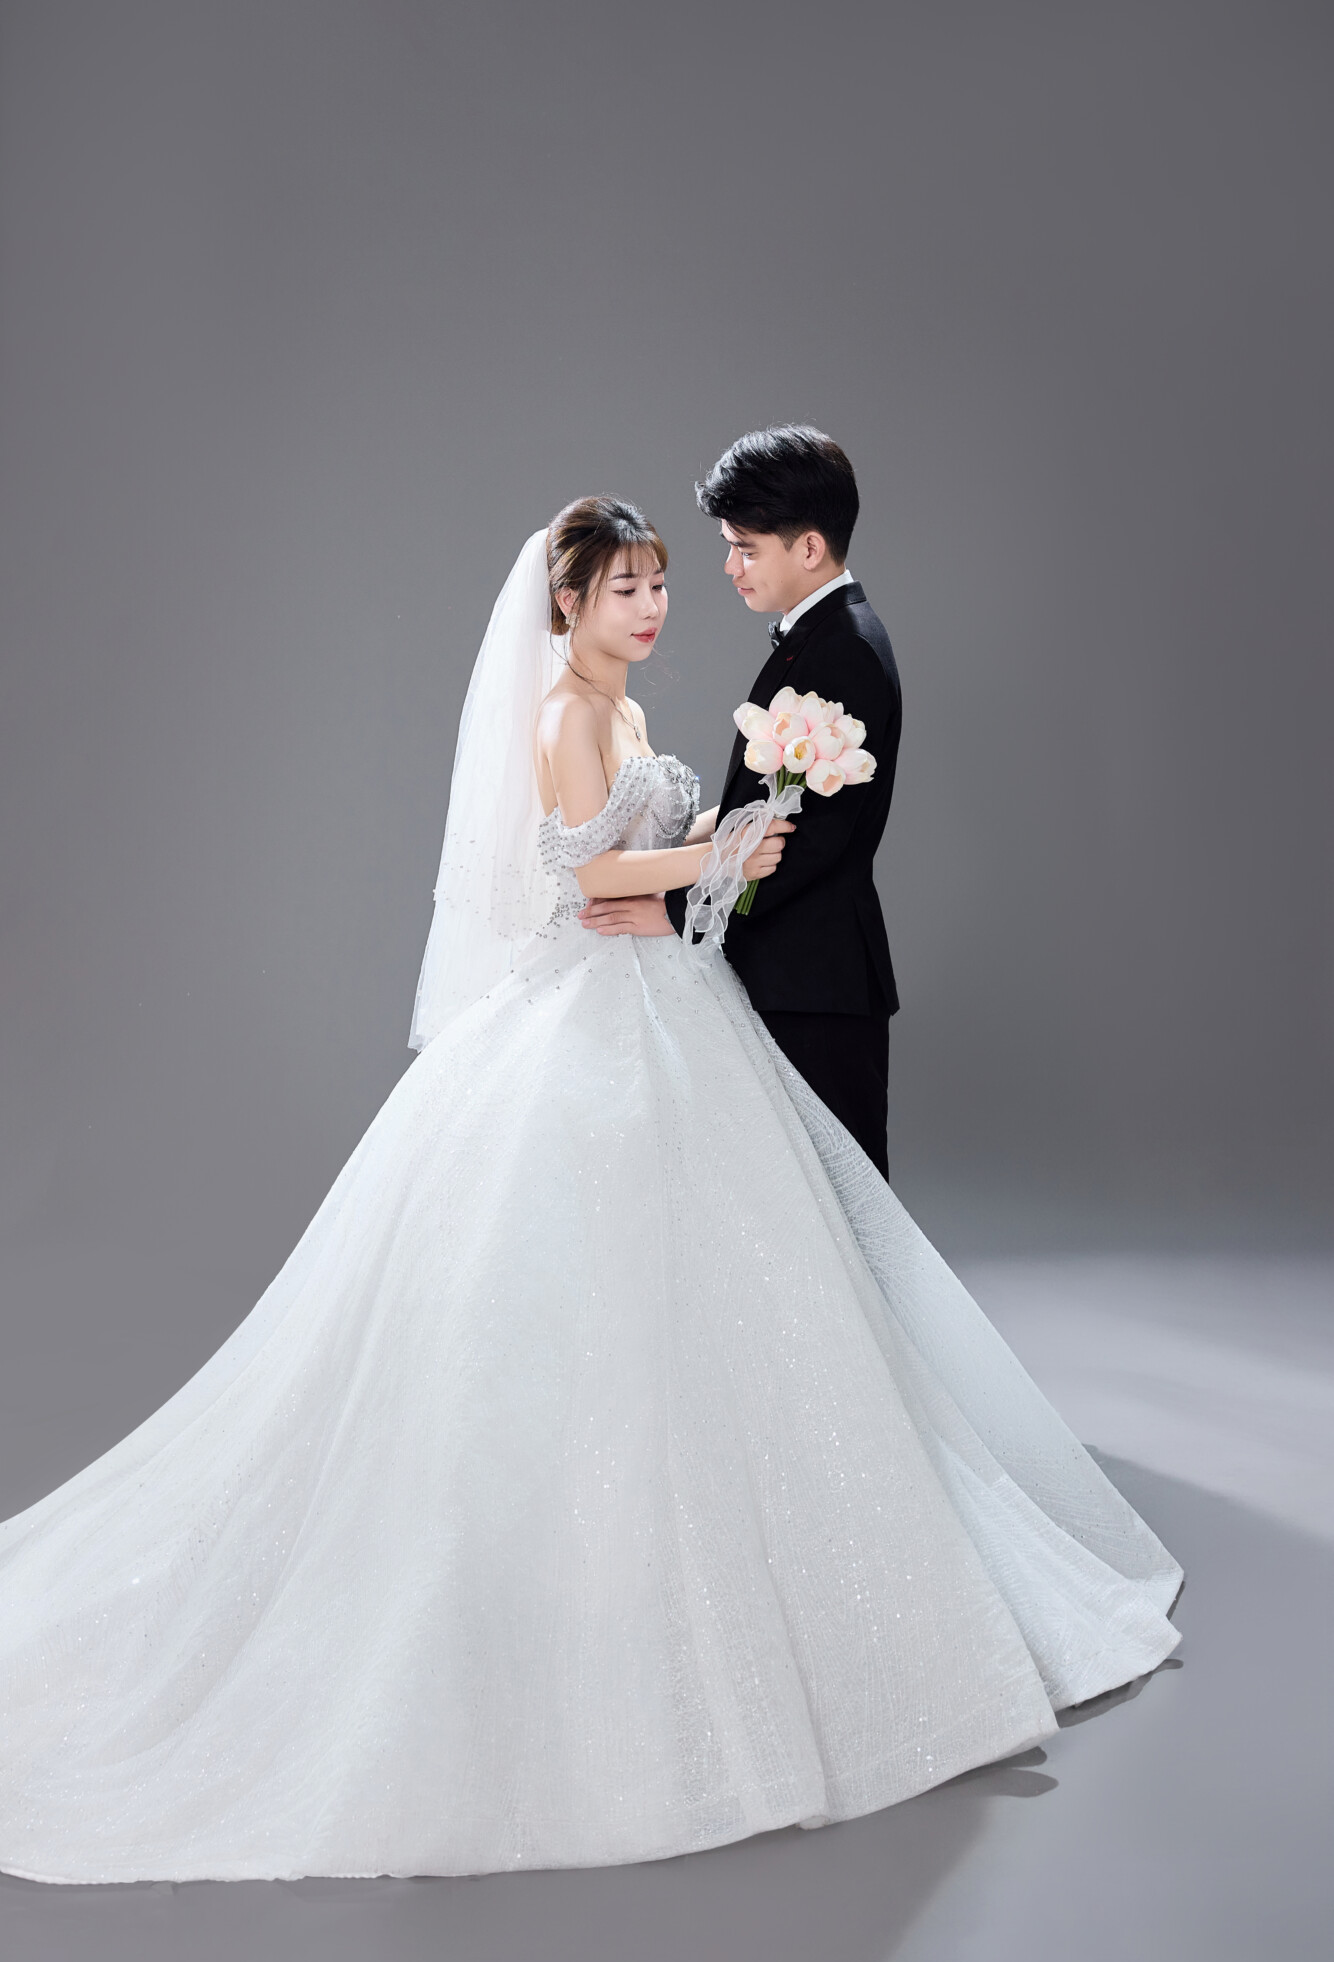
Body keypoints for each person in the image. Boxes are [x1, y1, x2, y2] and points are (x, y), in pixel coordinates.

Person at [0, 497, 1182, 1886]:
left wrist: (719, 845)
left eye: (658, 585)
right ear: (565, 603)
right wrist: (715, 857)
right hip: (587, 1018)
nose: (652, 606)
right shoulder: (567, 711)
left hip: (662, 1003)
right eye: (624, 588)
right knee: (579, 1299)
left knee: (727, 1294)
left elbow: (640, 869)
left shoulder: (622, 710)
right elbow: (582, 870)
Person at [581, 428, 898, 1174]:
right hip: (789, 967)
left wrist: (674, 908)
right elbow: (759, 816)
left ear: (810, 548)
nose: (730, 567)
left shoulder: (843, 650)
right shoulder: (816, 638)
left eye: (745, 549)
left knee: (839, 1202)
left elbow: (811, 842)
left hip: (814, 979)